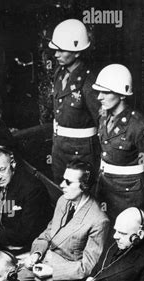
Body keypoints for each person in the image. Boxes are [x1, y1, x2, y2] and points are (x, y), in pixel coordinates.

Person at [20, 160, 109, 281]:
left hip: (64, 277)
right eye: (63, 179)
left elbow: (86, 267)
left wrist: (53, 271)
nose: (61, 185)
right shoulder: (63, 201)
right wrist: (36, 253)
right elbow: (48, 233)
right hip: (41, 262)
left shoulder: (99, 220)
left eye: (68, 182)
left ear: (84, 186)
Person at [93, 64, 144, 222]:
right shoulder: (103, 117)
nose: (99, 97)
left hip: (130, 195)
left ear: (122, 94)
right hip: (105, 188)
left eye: (105, 92)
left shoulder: (141, 126)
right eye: (99, 91)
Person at [48, 19, 101, 183]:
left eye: (61, 50)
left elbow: (102, 120)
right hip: (59, 148)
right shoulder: (59, 73)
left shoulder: (89, 81)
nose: (56, 54)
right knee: (60, 191)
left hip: (82, 151)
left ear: (77, 52)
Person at [0, 145, 51, 254]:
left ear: (13, 163)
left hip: (29, 248)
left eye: (2, 169)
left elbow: (27, 234)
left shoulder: (33, 189)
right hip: (3, 243)